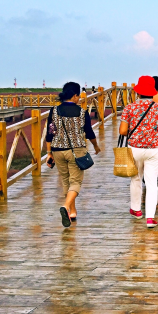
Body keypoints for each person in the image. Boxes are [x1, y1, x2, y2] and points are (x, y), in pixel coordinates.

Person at [45, 82, 101, 228]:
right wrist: (95, 145)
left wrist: (48, 153)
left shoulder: (54, 111)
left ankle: (72, 211)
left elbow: (50, 133)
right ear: (75, 95)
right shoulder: (82, 112)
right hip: (77, 151)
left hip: (58, 150)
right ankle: (65, 207)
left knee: (65, 180)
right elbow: (89, 132)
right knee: (75, 182)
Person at [119, 76, 158, 228]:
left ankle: (136, 210)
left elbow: (122, 131)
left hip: (134, 148)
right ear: (153, 91)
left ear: (138, 92)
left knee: (135, 179)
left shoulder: (129, 108)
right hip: (154, 149)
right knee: (151, 182)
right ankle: (150, 218)